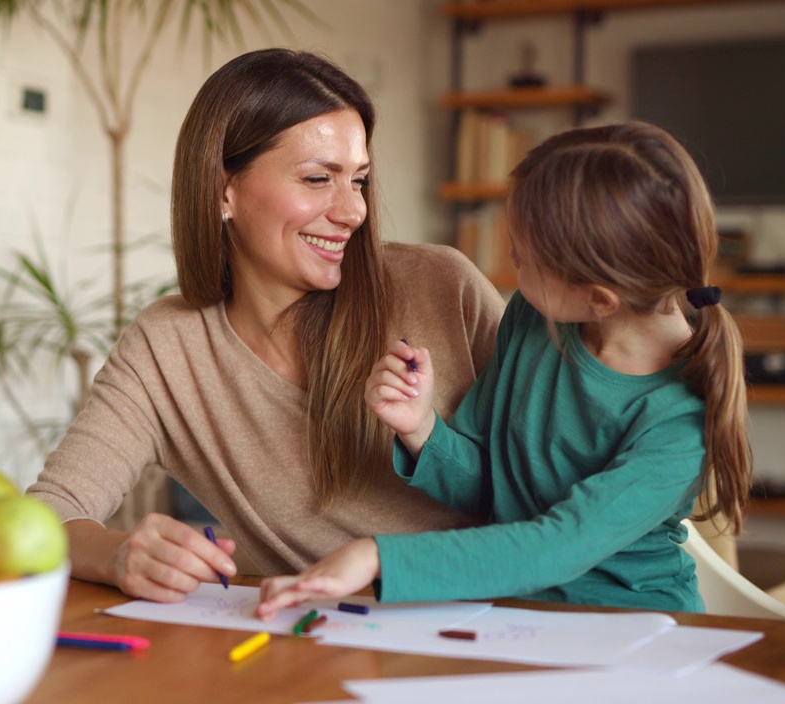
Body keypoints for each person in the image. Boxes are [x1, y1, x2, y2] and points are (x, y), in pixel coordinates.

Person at [25, 48, 504, 603]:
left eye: (360, 180)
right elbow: (47, 517)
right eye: (319, 178)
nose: (353, 211)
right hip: (325, 656)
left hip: (506, 626)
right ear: (224, 190)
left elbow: (562, 493)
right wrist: (118, 554)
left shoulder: (444, 286)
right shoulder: (168, 348)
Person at [257, 121, 753, 616]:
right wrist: (422, 428)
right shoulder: (537, 318)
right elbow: (492, 484)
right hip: (510, 614)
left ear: (599, 298)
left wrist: (375, 555)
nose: (511, 254)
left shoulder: (680, 414)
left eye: (525, 258)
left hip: (631, 625)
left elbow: (558, 545)